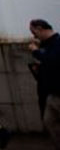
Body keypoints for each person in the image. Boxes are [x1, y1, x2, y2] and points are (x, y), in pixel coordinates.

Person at [29, 18, 60, 147]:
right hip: (51, 92)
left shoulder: (57, 43)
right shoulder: (46, 45)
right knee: (49, 121)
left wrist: (36, 51)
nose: (34, 36)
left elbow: (52, 61)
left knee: (51, 121)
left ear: (40, 29)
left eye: (34, 32)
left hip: (58, 91)